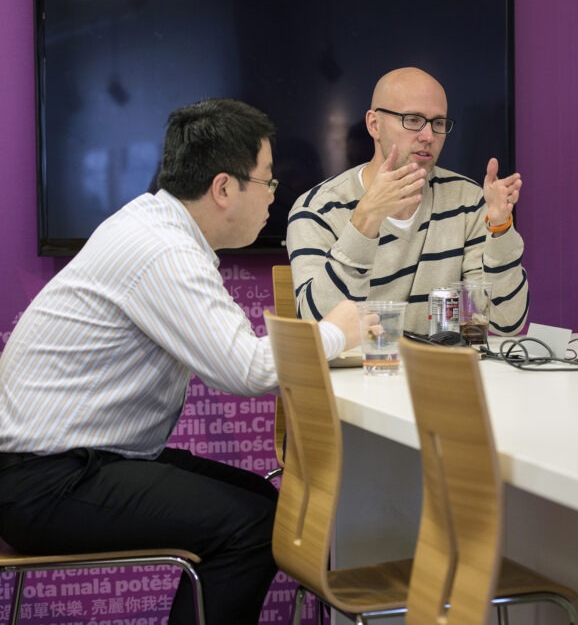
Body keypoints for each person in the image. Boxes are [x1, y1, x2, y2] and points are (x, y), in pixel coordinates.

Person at [0, 98, 365, 625]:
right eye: (267, 182)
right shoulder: (163, 251)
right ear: (223, 188)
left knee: (263, 501)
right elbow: (247, 370)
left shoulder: (157, 227)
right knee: (255, 525)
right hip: (45, 481)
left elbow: (237, 352)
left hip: (72, 462)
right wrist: (338, 332)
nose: (272, 198)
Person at [287, 67, 529, 335]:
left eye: (438, 123)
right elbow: (317, 329)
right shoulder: (318, 210)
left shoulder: (467, 201)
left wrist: (501, 230)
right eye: (413, 119)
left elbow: (506, 322)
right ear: (374, 125)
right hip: (360, 372)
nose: (428, 136)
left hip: (436, 370)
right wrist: (364, 221)